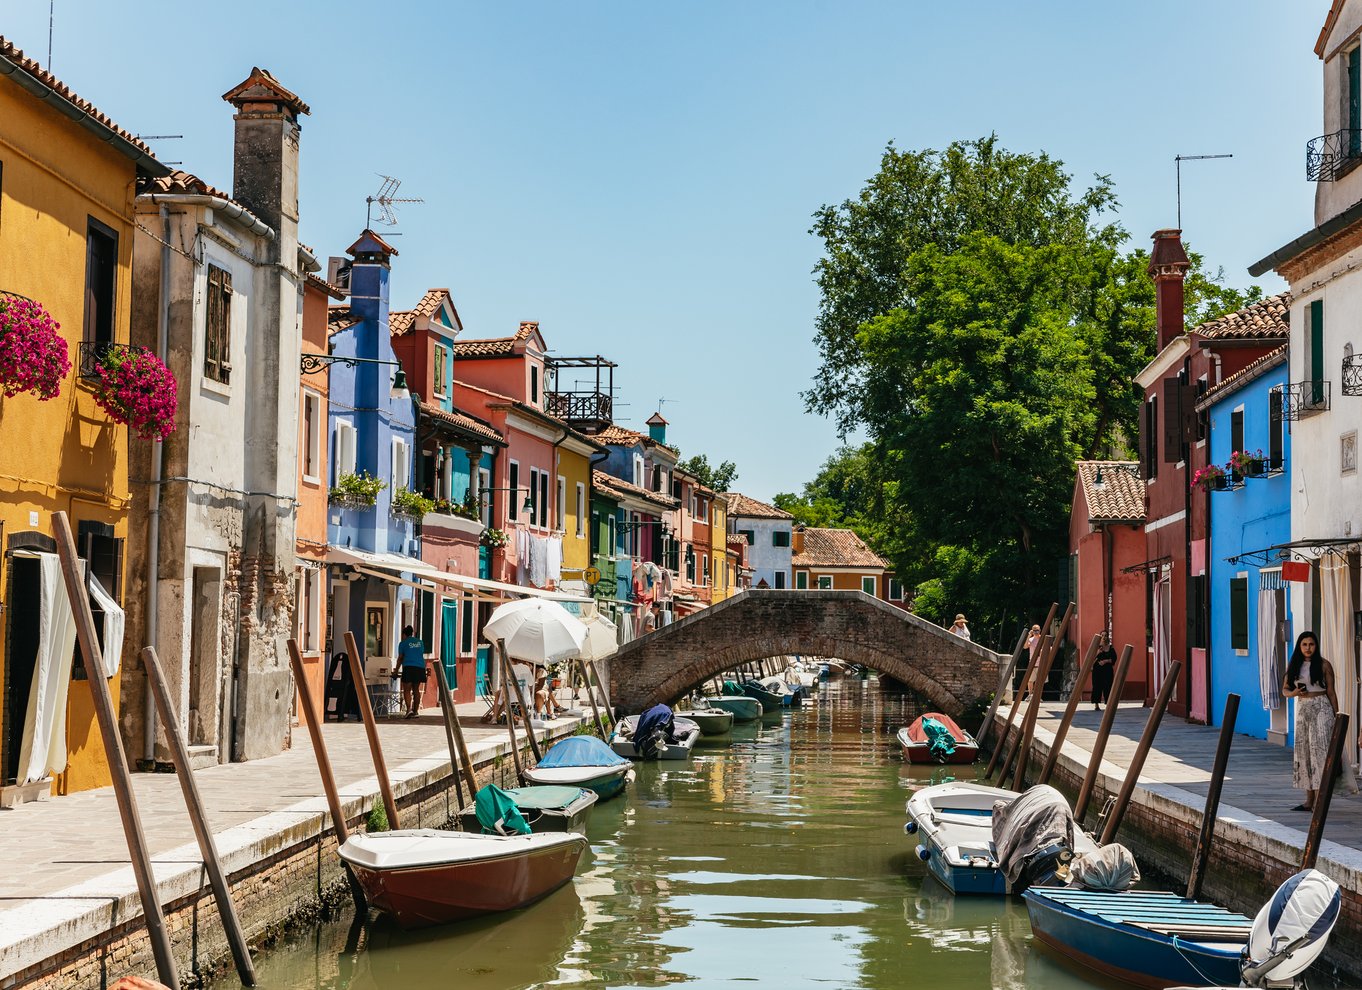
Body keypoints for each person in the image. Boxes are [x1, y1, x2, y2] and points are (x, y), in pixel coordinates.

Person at [1282, 630, 1338, 813]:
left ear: (1316, 646)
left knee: (1319, 754)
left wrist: (1337, 715)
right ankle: (1309, 801)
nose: (1308, 648)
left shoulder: (1324, 665)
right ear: (1299, 646)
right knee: (1304, 753)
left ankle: (1320, 801)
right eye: (1305, 644)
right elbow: (1285, 690)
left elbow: (1331, 692)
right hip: (1303, 709)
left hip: (1322, 708)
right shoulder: (1294, 666)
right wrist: (1295, 693)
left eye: (1311, 644)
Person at [393, 625, 428, 719]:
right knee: (416, 689)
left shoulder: (403, 643)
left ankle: (408, 710)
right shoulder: (420, 642)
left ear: (404, 634)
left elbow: (400, 658)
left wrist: (396, 670)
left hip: (408, 667)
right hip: (420, 667)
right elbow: (419, 654)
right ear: (412, 633)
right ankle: (416, 711)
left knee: (407, 690)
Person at [1092, 633, 1117, 710]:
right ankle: (1096, 705)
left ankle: (1108, 704)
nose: (1104, 637)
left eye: (1105, 635)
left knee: (1108, 686)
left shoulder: (1111, 648)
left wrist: (1106, 661)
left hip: (1107, 670)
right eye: (1102, 635)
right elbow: (1091, 659)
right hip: (1097, 670)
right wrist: (1098, 653)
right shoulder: (1097, 647)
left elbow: (1114, 658)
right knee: (1097, 686)